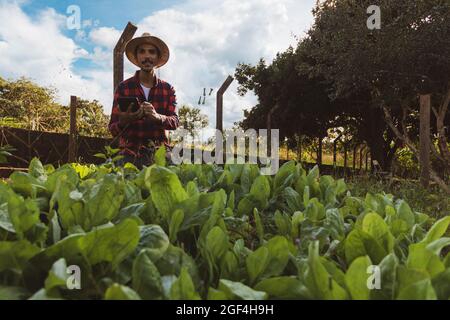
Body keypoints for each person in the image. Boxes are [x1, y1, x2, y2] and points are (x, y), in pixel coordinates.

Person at [108, 32, 179, 169]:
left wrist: (158, 117)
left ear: (158, 58)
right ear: (137, 57)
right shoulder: (124, 87)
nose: (147, 56)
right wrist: (125, 120)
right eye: (142, 52)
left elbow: (175, 122)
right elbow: (113, 127)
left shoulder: (168, 89)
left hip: (159, 151)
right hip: (130, 151)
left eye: (151, 52)